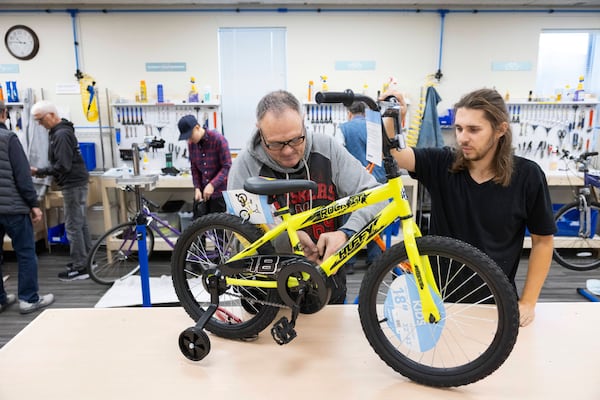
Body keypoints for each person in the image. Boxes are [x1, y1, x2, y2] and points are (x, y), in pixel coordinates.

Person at [383, 88, 556, 327]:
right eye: (459, 128)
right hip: (439, 302)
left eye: (474, 129)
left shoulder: (528, 175)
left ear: (500, 130)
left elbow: (543, 242)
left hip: (494, 303)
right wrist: (393, 116)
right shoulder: (441, 163)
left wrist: (528, 302)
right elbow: (396, 155)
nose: (463, 137)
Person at [228, 90, 383, 304]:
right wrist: (284, 241)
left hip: (326, 284)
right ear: (260, 132)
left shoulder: (327, 148)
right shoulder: (244, 167)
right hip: (265, 296)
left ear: (303, 122)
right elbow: (238, 239)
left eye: (295, 139)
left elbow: (376, 196)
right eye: (276, 144)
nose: (289, 151)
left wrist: (346, 234)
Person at [0, 100, 55, 314]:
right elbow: (22, 177)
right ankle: (28, 299)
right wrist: (34, 205)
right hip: (13, 208)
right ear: (5, 114)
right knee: (25, 253)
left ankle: (1, 298)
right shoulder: (9, 139)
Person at [30, 100, 92, 281]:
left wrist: (39, 172)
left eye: (40, 120)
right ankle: (88, 260)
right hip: (76, 182)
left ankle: (81, 267)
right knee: (80, 223)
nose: (40, 124)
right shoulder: (60, 131)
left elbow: (63, 165)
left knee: (73, 226)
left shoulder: (62, 134)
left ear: (51, 115)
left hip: (73, 183)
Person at [334, 101, 386, 273]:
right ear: (364, 112)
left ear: (349, 113)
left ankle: (349, 262)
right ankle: (375, 260)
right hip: (378, 179)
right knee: (376, 218)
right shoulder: (375, 126)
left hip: (354, 182)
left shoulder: (343, 128)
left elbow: (338, 153)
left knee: (351, 218)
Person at [177, 115, 232, 215]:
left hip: (219, 195)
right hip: (202, 195)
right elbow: (194, 168)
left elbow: (227, 166)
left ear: (197, 128)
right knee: (199, 228)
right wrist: (197, 188)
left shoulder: (218, 139)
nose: (189, 140)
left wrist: (212, 185)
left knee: (218, 228)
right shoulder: (192, 144)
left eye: (190, 136)